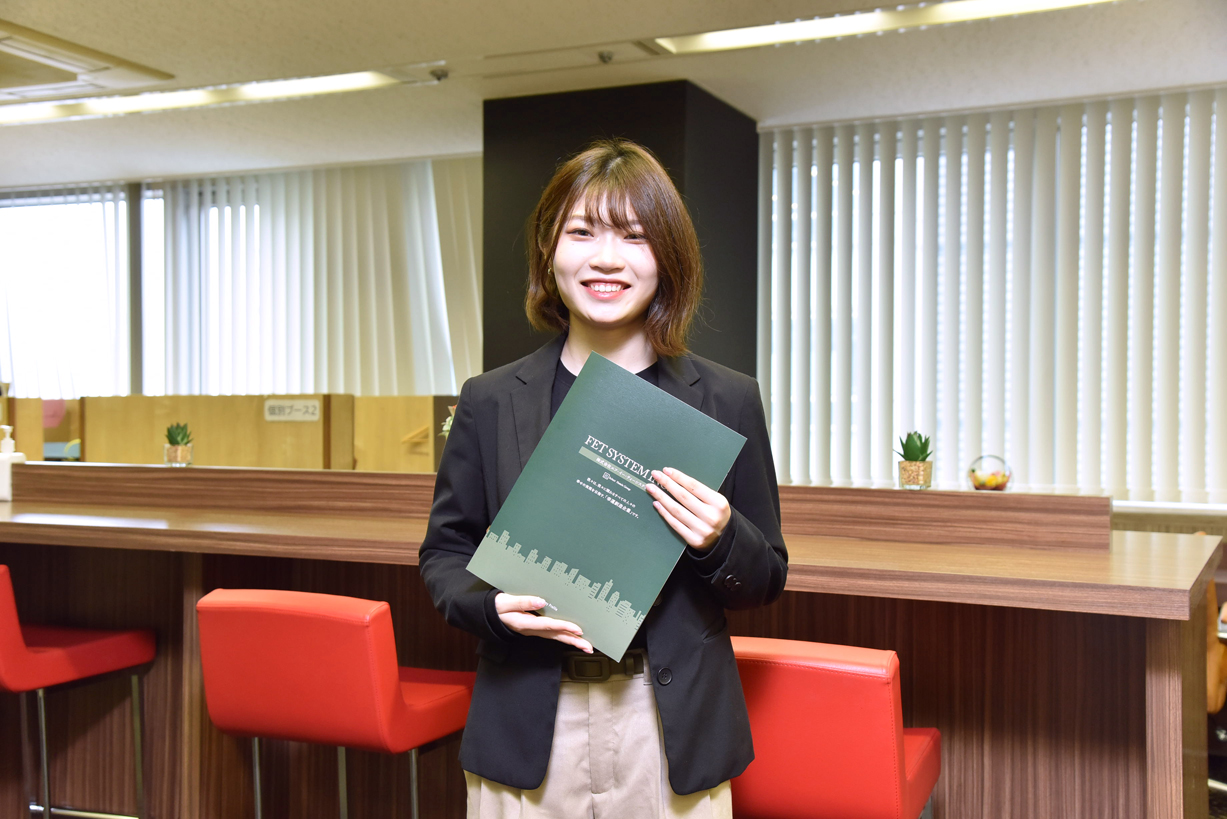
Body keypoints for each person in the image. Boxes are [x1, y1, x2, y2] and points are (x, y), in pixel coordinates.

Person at [419, 139, 788, 818]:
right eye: (582, 232)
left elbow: (766, 577)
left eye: (634, 236)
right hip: (527, 715)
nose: (607, 259)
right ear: (548, 251)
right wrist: (489, 608)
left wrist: (719, 536)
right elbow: (445, 553)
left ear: (666, 258)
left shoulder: (726, 399)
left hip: (668, 722)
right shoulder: (490, 399)